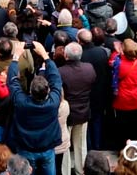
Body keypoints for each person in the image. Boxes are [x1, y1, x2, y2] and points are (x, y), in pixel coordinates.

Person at [7, 41, 62, 175]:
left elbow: (13, 81)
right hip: (46, 147)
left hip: (26, 147)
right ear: (48, 90)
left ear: (30, 91)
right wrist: (45, 55)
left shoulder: (21, 103)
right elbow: (56, 79)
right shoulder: (54, 101)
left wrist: (16, 58)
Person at [58, 42, 96, 173]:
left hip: (67, 115)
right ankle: (81, 171)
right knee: (81, 145)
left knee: (65, 146)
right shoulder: (89, 68)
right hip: (83, 112)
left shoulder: (61, 72)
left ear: (66, 56)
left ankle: (66, 171)